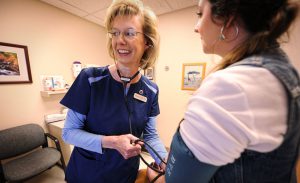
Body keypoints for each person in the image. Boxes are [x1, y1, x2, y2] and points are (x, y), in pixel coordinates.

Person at [150, 0, 300, 183]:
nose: (196, 27)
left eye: (200, 14)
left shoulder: (233, 86)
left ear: (228, 20)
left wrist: (153, 176)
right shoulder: (283, 71)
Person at [60, 0, 167, 182]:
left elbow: (150, 135)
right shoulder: (90, 79)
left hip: (125, 173)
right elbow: (68, 132)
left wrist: (164, 160)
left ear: (147, 42)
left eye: (130, 33)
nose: (119, 40)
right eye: (115, 33)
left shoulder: (151, 90)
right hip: (87, 174)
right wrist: (113, 142)